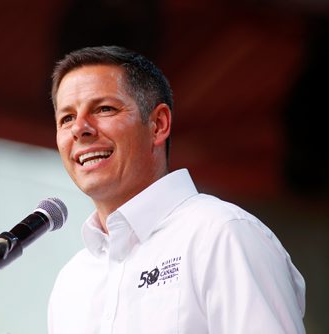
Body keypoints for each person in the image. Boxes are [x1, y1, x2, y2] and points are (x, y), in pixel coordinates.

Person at [47, 45, 306, 334]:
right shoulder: (71, 280)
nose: (79, 128)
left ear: (158, 124)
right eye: (66, 118)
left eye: (104, 109)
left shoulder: (221, 233)